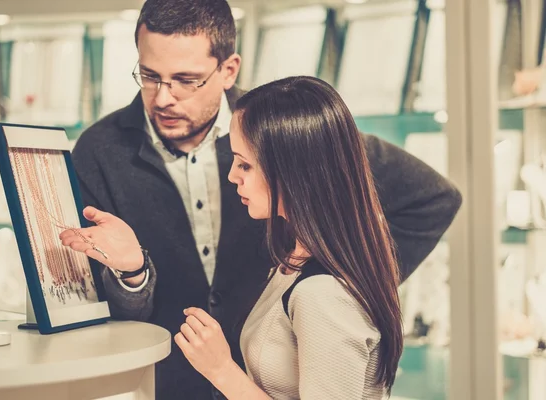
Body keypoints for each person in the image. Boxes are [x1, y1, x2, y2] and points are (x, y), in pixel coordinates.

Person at [66, 0, 461, 398]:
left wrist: (354, 277)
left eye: (187, 79)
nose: (164, 98)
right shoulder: (99, 150)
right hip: (172, 384)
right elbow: (97, 310)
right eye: (150, 76)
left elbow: (431, 200)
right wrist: (132, 273)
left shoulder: (281, 126)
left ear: (228, 70)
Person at [173, 76, 403, 399]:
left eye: (245, 165)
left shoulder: (323, 295)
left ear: (292, 172)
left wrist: (221, 370)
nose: (232, 176)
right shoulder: (293, 261)